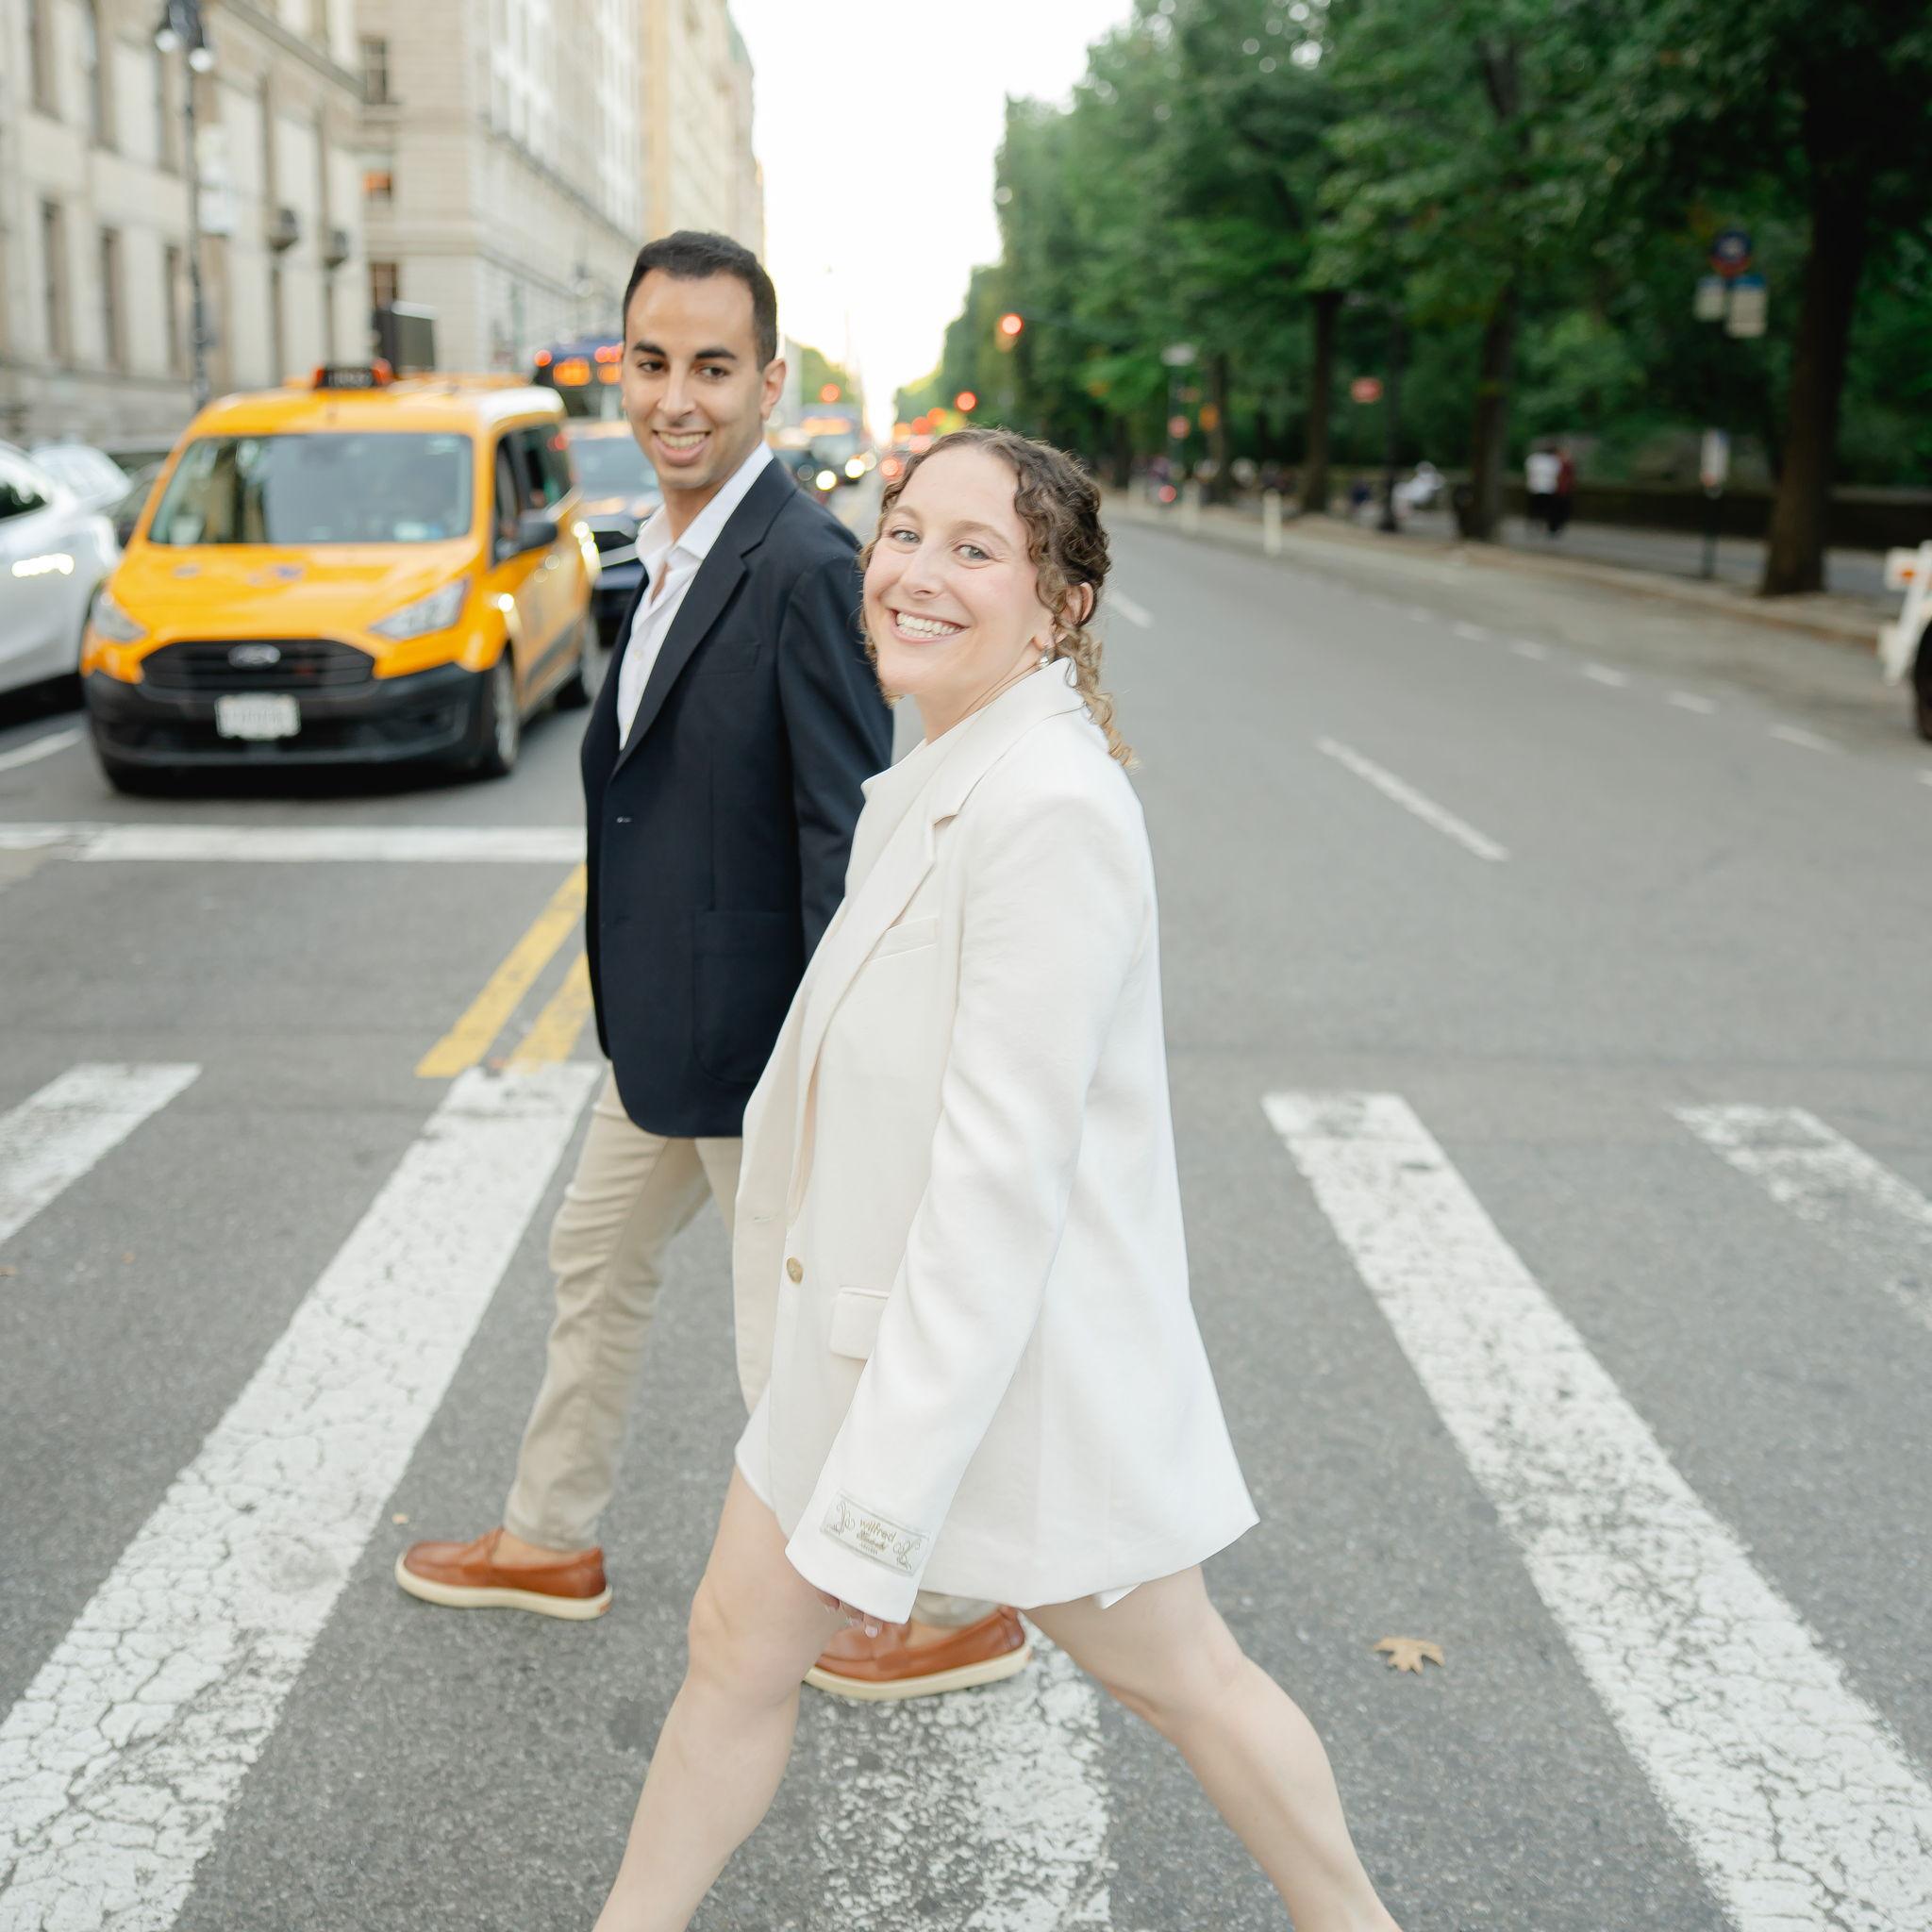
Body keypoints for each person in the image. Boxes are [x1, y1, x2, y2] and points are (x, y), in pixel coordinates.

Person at [590, 427, 1407, 1932]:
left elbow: (996, 1186)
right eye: (904, 532)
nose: (914, 571)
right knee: (733, 1649)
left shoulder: (1052, 812)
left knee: (1188, 1682)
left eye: (976, 550)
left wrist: (882, 1511)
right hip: (865, 1348)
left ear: (1061, 606)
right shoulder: (946, 768)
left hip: (1006, 1383)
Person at [395, 236, 1023, 1700]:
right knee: (594, 1262)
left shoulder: (801, 564)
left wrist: (835, 1064)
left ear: (768, 382)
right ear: (622, 370)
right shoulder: (668, 551)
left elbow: (842, 829)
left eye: (713, 368)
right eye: (653, 363)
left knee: (801, 1331)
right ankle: (551, 1536)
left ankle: (943, 1600)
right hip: (666, 1034)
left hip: (762, 1045)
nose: (678, 397)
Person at [1524, 441, 1560, 536]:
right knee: (1542, 509)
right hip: (1544, 488)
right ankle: (1538, 525)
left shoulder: (1535, 459)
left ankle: (1536, 525)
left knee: (1536, 508)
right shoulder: (1552, 460)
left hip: (1538, 487)